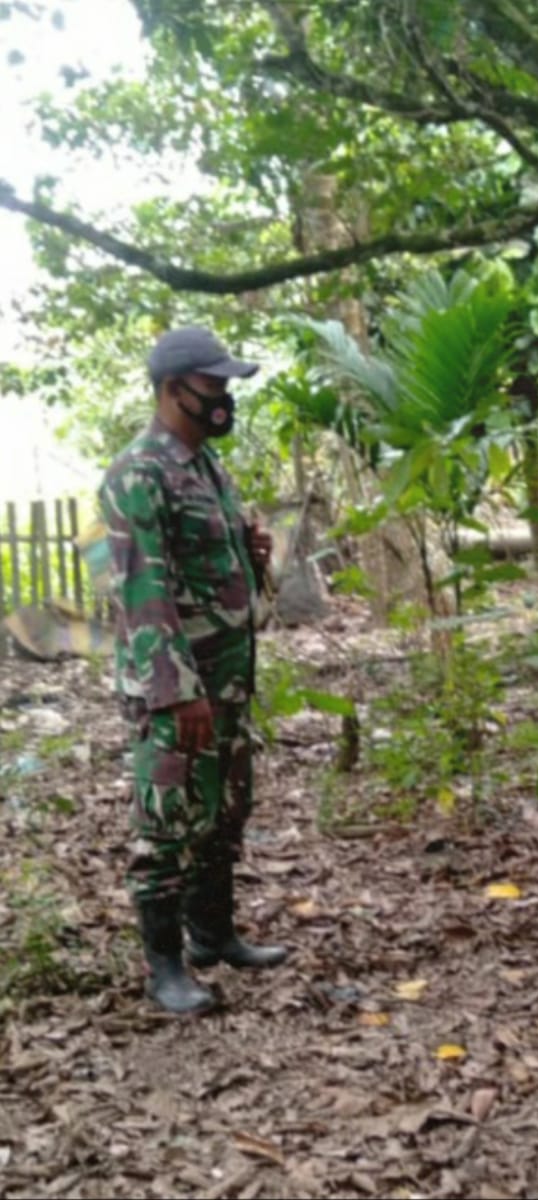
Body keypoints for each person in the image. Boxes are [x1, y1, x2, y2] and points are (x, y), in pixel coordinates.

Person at [99, 326, 288, 1015]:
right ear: (173, 388)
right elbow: (142, 588)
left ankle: (213, 936)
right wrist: (176, 694)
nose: (224, 397)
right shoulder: (138, 473)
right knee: (168, 820)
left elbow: (210, 562)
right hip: (178, 684)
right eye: (213, 386)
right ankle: (165, 969)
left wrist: (250, 547)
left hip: (228, 675)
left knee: (225, 809)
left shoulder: (205, 465)